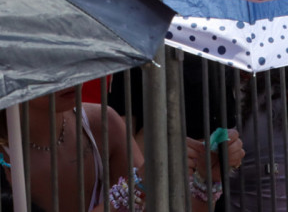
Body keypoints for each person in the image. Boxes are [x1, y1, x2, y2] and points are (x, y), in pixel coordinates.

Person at [0, 88, 244, 212]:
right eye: (45, 57)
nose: (68, 71)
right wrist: (138, 185)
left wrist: (206, 178)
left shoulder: (101, 123)